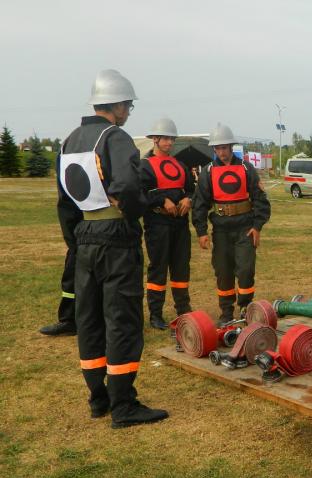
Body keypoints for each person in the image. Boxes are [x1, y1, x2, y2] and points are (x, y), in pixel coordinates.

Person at [58, 69, 168, 428]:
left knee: (89, 320)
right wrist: (134, 213)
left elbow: (65, 204)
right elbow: (129, 187)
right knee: (122, 320)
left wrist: (77, 242)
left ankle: (98, 397)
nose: (128, 112)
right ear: (117, 105)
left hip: (85, 236)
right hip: (116, 237)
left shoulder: (70, 140)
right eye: (128, 106)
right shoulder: (115, 137)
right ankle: (123, 405)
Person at [192, 124, 271, 325]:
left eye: (224, 148)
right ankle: (226, 311)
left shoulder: (246, 168)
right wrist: (201, 232)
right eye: (218, 148)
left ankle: (245, 308)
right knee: (223, 271)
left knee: (245, 269)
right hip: (221, 230)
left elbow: (260, 199)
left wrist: (257, 226)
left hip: (245, 228)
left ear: (231, 146)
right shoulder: (208, 171)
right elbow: (200, 204)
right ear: (214, 149)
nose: (222, 152)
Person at [140, 117, 195, 329]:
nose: (169, 142)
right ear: (155, 139)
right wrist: (162, 200)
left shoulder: (180, 165)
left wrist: (188, 199)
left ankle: (183, 309)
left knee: (181, 267)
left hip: (180, 224)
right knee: (158, 268)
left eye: (172, 139)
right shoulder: (144, 166)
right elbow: (139, 194)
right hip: (157, 223)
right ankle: (156, 314)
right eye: (165, 138)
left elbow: (191, 189)